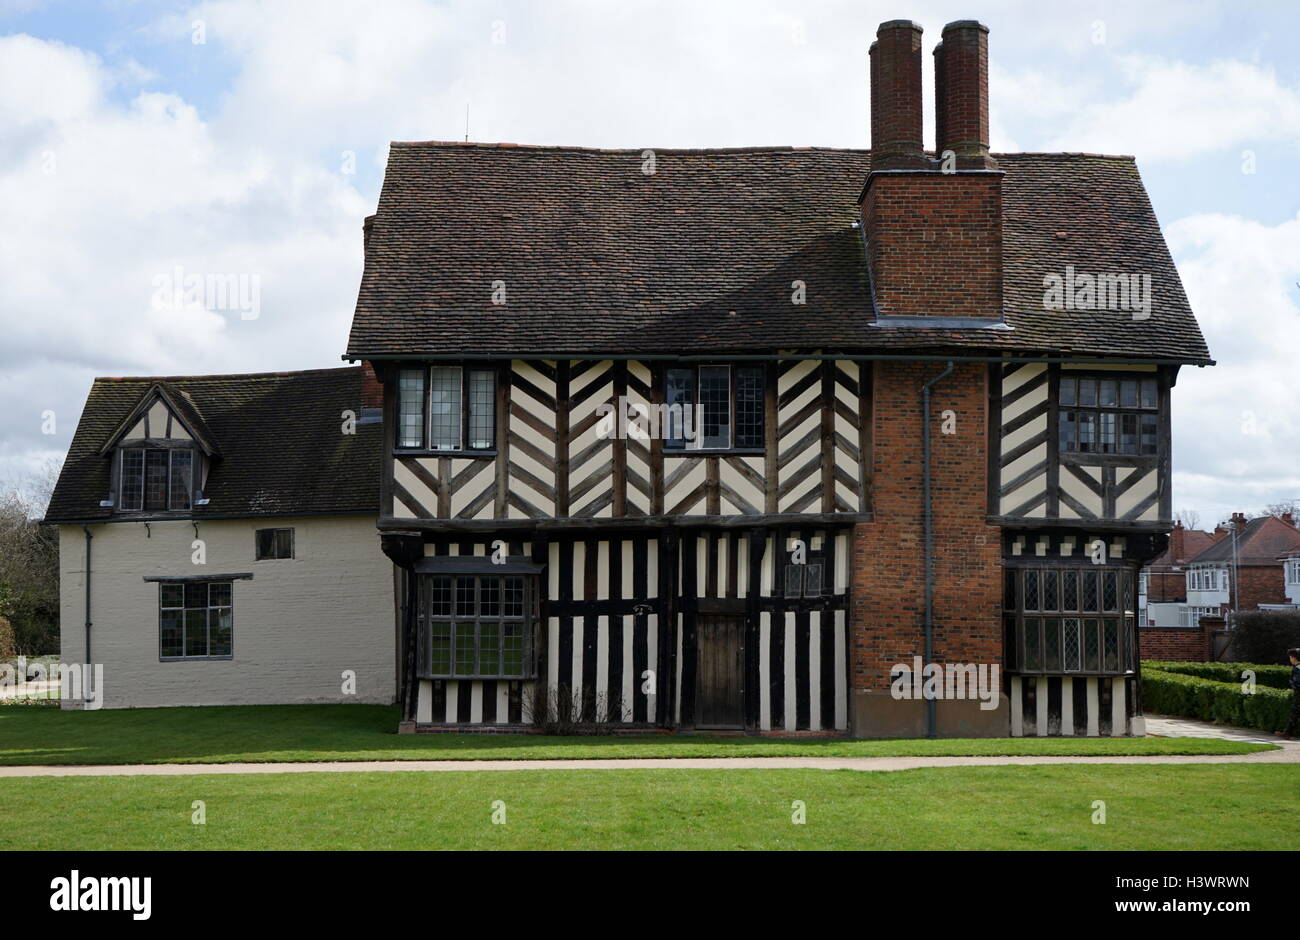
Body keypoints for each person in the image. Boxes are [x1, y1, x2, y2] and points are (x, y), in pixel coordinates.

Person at [1281, 648, 1300, 740]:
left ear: (1294, 658)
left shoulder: (1297, 668)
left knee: (1294, 713)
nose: (1290, 659)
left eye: (1290, 657)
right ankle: (1287, 732)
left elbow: (1297, 683)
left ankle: (1287, 733)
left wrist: (1294, 688)